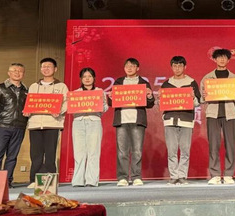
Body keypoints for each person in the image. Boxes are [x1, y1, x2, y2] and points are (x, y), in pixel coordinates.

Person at [201, 48, 235, 185]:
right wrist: (204, 96)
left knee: (230, 145)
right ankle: (215, 174)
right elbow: (201, 99)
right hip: (213, 114)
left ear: (228, 60)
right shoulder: (207, 78)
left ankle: (229, 174)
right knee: (213, 144)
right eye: (219, 57)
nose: (222, 60)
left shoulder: (234, 78)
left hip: (230, 114)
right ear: (215, 59)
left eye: (224, 57)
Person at [26, 57, 68, 188]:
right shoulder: (34, 86)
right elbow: (29, 102)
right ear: (40, 69)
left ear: (55, 69)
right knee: (35, 154)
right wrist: (27, 111)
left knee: (50, 153)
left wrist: (59, 111)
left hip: (53, 124)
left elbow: (67, 102)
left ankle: (51, 180)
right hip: (35, 124)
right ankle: (34, 180)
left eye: (49, 66)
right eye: (43, 66)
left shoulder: (61, 86)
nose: (46, 69)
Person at [113, 58, 155, 187]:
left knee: (137, 151)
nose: (129, 68)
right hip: (122, 120)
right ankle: (123, 177)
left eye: (132, 66)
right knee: (122, 151)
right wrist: (110, 98)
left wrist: (149, 96)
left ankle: (136, 176)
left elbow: (150, 103)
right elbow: (112, 102)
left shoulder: (143, 83)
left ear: (138, 68)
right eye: (127, 66)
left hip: (137, 120)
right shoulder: (118, 82)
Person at [160, 56, 201, 185]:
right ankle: (173, 176)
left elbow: (198, 102)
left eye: (180, 66)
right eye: (175, 66)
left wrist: (193, 98)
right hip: (170, 120)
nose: (177, 68)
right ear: (171, 67)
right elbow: (161, 103)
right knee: (171, 150)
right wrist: (160, 98)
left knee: (185, 150)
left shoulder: (191, 82)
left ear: (185, 67)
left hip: (186, 119)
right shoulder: (167, 83)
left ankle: (182, 175)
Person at [0, 63, 28, 187]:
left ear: (23, 74)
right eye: (14, 70)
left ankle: (7, 182)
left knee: (12, 156)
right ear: (9, 73)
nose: (17, 73)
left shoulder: (26, 91)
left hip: (20, 127)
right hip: (3, 126)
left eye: (20, 71)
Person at [71, 67, 108, 187]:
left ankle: (92, 180)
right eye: (84, 77)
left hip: (94, 121)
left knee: (93, 151)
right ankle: (78, 180)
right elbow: (71, 109)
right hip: (78, 122)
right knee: (79, 152)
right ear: (81, 79)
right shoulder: (75, 93)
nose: (87, 79)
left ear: (94, 78)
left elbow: (105, 108)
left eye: (90, 76)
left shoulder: (100, 92)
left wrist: (102, 103)